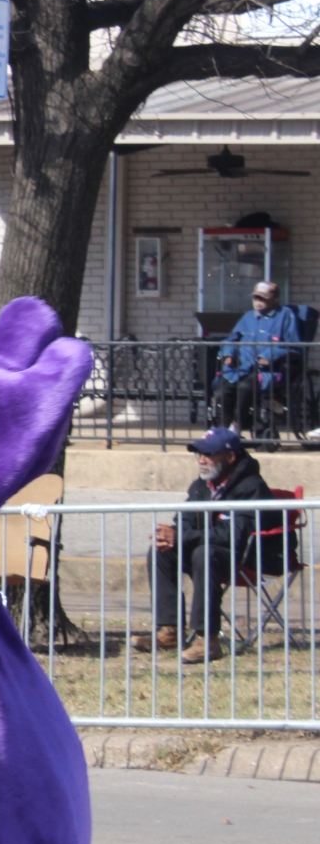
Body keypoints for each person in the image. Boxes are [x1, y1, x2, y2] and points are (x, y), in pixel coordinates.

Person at [136, 426, 285, 664]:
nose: (201, 460)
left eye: (209, 454)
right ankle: (170, 631)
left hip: (253, 556)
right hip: (213, 552)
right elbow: (184, 520)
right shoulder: (200, 486)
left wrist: (181, 537)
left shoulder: (251, 487)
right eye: (199, 454)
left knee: (204, 554)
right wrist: (172, 535)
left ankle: (208, 641)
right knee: (162, 551)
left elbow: (233, 535)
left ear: (231, 456)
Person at [215, 280, 302, 433]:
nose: (258, 301)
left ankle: (236, 426)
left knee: (245, 388)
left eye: (262, 298)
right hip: (242, 367)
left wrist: (269, 355)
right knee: (223, 390)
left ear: (275, 300)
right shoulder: (248, 317)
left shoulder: (285, 315)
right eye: (255, 297)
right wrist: (228, 353)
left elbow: (293, 345)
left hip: (269, 369)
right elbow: (232, 339)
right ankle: (224, 431)